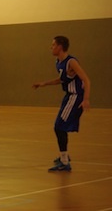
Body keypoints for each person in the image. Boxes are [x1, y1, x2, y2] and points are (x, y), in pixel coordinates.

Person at [33, 36, 90, 172]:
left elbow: (87, 80)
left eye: (53, 45)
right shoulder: (58, 62)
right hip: (68, 97)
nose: (51, 47)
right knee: (60, 127)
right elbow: (61, 80)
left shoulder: (71, 62)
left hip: (76, 97)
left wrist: (86, 99)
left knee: (59, 127)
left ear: (60, 46)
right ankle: (64, 156)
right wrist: (44, 84)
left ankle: (64, 161)